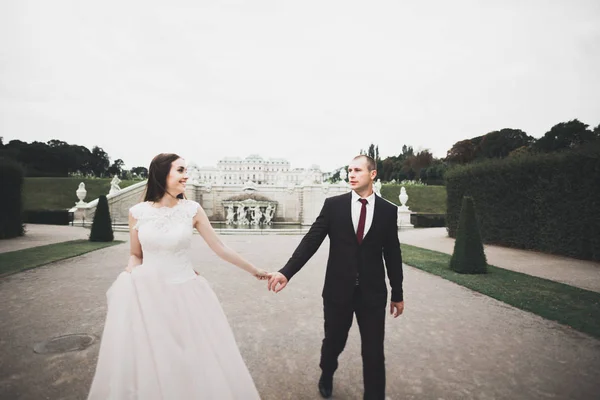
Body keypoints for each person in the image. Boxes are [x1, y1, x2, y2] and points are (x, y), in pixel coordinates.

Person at [88, 153, 269, 400]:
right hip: (148, 297)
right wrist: (130, 272)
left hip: (187, 295)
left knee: (193, 362)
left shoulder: (192, 210)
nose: (187, 176)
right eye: (181, 170)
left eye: (186, 170)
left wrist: (255, 270)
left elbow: (220, 248)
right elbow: (135, 254)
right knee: (154, 361)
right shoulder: (137, 212)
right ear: (163, 174)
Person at [268, 155, 404, 400]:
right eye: (349, 170)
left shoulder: (388, 210)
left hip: (372, 294)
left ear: (373, 174)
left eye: (358, 170)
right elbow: (311, 241)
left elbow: (393, 254)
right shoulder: (334, 205)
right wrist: (287, 271)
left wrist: (398, 293)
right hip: (337, 292)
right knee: (334, 342)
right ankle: (326, 373)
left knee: (374, 351)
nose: (351, 175)